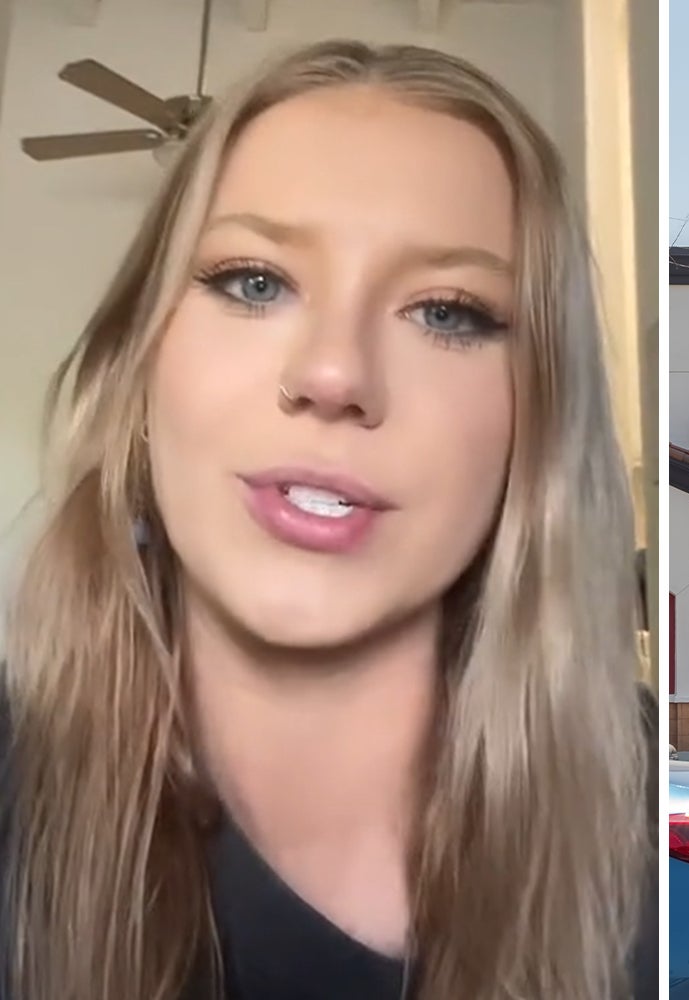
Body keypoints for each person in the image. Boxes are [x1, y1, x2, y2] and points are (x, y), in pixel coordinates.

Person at [0, 41, 654, 999]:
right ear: (137, 367)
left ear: (538, 423)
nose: (334, 373)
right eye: (255, 282)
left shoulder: (661, 829)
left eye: (447, 312)